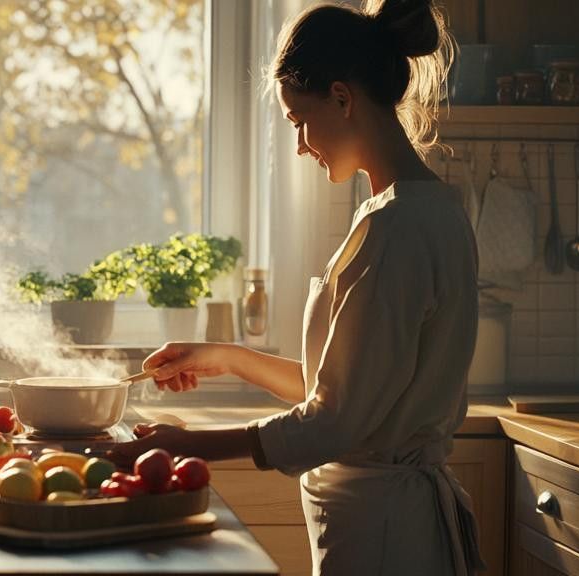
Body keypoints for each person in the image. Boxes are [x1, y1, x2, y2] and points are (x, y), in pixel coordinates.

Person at [107, 0, 483, 574]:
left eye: (298, 122)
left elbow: (335, 421)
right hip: (382, 520)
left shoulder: (397, 227)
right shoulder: (422, 210)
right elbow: (344, 387)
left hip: (386, 534)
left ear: (341, 97)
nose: (302, 145)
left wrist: (189, 447)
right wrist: (225, 356)